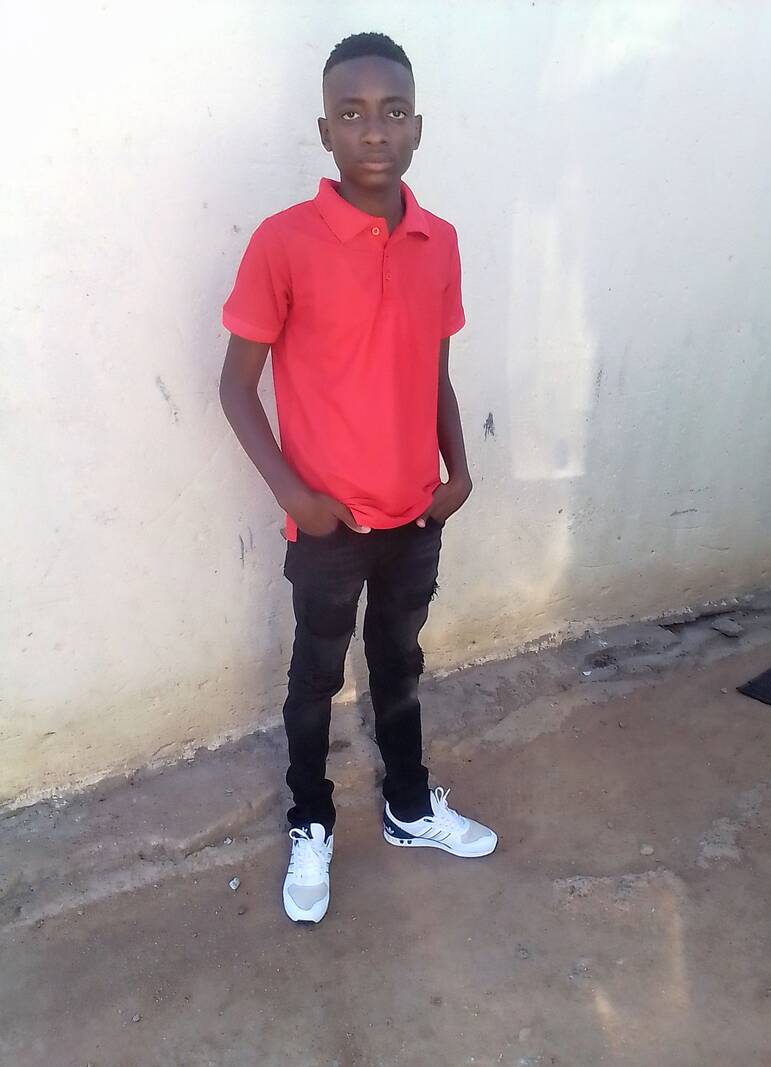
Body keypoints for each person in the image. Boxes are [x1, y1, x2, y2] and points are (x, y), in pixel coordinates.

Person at [220, 31, 497, 924]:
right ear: (325, 131)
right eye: (352, 113)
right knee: (315, 675)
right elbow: (235, 387)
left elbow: (435, 368)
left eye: (392, 111)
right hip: (330, 522)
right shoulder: (284, 242)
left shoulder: (438, 241)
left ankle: (410, 805)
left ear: (418, 126)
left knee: (400, 662)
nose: (374, 130)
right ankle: (311, 820)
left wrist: (458, 469)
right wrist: (295, 497)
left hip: (416, 513)